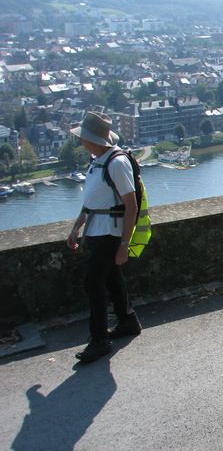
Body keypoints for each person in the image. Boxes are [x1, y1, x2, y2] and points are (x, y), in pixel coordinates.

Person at [67, 111, 142, 363]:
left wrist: (124, 243)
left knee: (92, 283)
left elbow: (131, 206)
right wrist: (77, 225)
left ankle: (99, 340)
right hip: (97, 230)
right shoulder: (97, 160)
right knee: (111, 278)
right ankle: (128, 321)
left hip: (110, 232)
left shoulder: (116, 163)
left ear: (94, 140)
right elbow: (92, 200)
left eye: (83, 138)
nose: (80, 142)